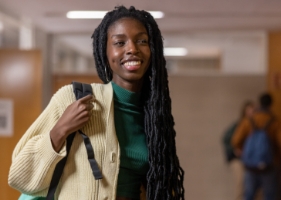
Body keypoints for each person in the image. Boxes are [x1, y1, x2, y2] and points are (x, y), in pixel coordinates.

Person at [8, 6, 185, 200]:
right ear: (105, 51)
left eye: (142, 41)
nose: (132, 49)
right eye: (120, 42)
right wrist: (60, 130)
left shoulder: (154, 118)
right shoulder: (74, 98)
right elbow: (19, 175)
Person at [231, 93, 281, 200]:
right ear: (271, 105)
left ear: (259, 104)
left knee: (248, 195)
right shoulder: (275, 122)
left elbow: (235, 140)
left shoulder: (249, 120)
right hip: (269, 165)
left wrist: (246, 152)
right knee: (269, 195)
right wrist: (275, 155)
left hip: (250, 166)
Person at [223, 101, 255, 200]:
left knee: (253, 186)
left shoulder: (256, 125)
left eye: (253, 111)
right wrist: (234, 149)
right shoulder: (239, 125)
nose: (252, 113)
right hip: (238, 159)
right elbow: (226, 139)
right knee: (240, 183)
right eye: (249, 111)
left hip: (251, 159)